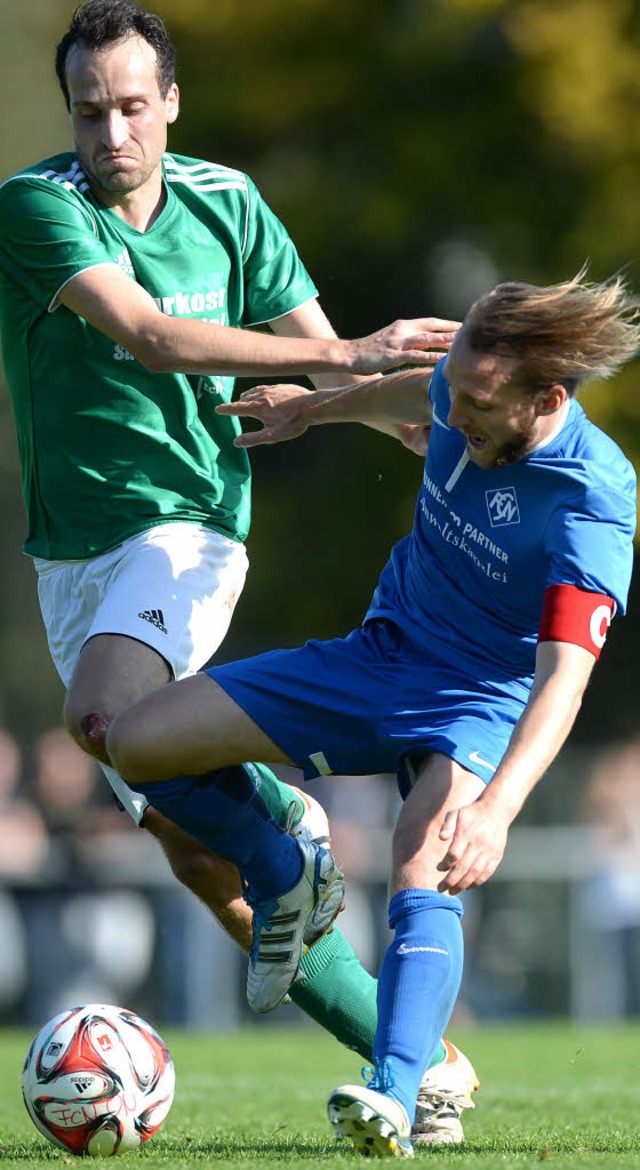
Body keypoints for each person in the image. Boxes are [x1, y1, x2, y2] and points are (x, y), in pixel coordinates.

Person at [0, 0, 476, 1146]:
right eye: (88, 111)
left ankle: (286, 833)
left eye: (129, 106)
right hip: (74, 563)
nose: (109, 134)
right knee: (190, 847)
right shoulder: (36, 206)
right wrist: (340, 357)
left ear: (169, 101)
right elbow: (152, 334)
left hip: (189, 530)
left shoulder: (228, 203)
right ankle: (417, 1060)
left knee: (111, 719)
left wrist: (393, 417)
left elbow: (322, 363)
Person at [106, 270, 638, 1157]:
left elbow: (562, 678)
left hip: (478, 697)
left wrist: (497, 809)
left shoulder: (593, 502)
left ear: (548, 398)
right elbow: (413, 388)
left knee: (421, 860)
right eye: (454, 385)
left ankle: (398, 1091)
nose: (452, 416)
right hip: (379, 655)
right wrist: (316, 411)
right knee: (134, 742)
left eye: (475, 402)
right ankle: (285, 867)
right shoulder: (460, 383)